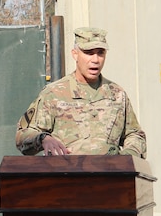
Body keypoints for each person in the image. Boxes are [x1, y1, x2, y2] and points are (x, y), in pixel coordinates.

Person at [15, 27, 146, 158]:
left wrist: (127, 157)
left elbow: (134, 134)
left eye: (100, 53)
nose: (95, 59)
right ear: (75, 54)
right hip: (67, 173)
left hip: (109, 175)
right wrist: (44, 139)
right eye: (89, 53)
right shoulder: (54, 94)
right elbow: (23, 136)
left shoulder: (117, 94)